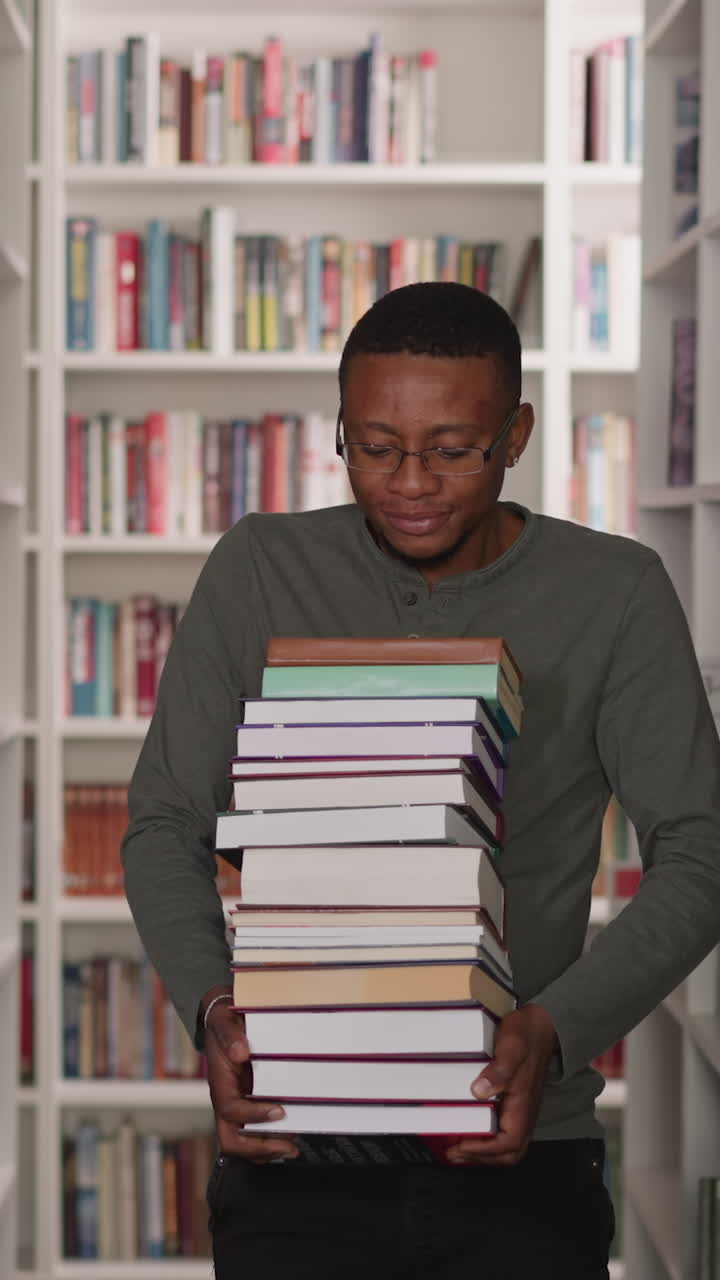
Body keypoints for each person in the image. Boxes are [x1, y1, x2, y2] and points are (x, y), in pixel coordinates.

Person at [122, 282, 720, 1280]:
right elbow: (163, 821)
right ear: (341, 431)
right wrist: (211, 1009)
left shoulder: (616, 592)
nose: (410, 483)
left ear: (517, 432)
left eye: (452, 449)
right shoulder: (259, 566)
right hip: (291, 1144)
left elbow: (701, 852)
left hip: (525, 1145)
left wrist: (554, 1030)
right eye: (373, 446)